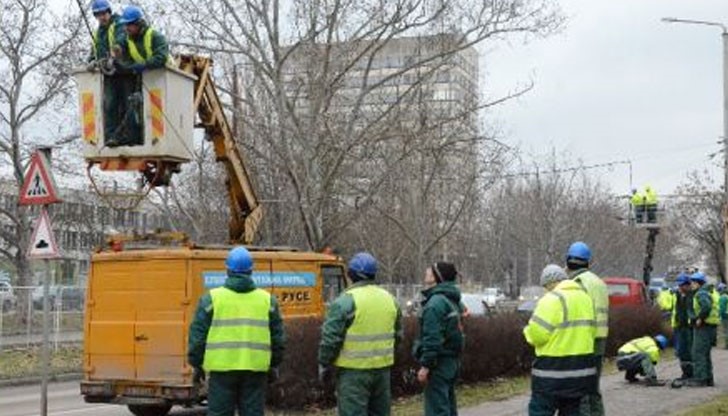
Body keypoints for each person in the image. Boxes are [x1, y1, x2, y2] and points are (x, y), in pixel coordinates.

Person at [187, 246, 285, 416]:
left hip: (221, 372)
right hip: (255, 371)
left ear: (227, 270)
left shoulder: (211, 300)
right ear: (251, 270)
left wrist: (196, 365)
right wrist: (273, 365)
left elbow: (197, 338)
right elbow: (278, 339)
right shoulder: (268, 301)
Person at [317, 252, 402, 416]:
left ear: (351, 275)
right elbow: (398, 336)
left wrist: (324, 364)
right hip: (382, 371)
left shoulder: (344, 301)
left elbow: (330, 340)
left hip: (352, 374)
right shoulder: (390, 299)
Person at [524, 264, 597, 416]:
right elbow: (592, 332)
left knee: (541, 410)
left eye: (545, 286)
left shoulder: (551, 300)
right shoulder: (586, 299)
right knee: (572, 410)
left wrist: (527, 331)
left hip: (552, 373)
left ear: (550, 283)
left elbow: (537, 336)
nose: (546, 290)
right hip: (581, 372)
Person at [113, 5, 171, 146]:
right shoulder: (128, 38)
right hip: (145, 77)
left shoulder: (155, 36)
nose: (127, 28)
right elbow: (121, 43)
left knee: (156, 109)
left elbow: (161, 57)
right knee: (135, 104)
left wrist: (142, 65)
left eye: (129, 25)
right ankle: (133, 137)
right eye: (125, 25)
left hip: (164, 79)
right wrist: (117, 50)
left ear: (138, 24)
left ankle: (154, 139)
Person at [413, 261, 464, 416]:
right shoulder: (452, 299)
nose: (427, 271)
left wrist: (425, 365)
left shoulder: (435, 303)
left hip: (438, 365)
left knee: (437, 410)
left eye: (431, 270)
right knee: (448, 407)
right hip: (451, 362)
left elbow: (432, 338)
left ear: (437, 277)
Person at [564, 241, 608, 416]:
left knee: (580, 392)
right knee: (593, 389)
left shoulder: (577, 283)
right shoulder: (599, 282)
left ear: (568, 261)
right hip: (599, 342)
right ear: (588, 262)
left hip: (582, 344)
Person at [684, 271, 719, 387]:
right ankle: (708, 378)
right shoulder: (708, 291)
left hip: (703, 327)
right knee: (705, 353)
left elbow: (706, 306)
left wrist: (700, 318)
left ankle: (700, 379)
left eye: (693, 283)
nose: (691, 285)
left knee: (698, 352)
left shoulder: (701, 293)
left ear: (698, 283)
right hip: (710, 327)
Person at [671, 273, 694, 380]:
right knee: (681, 351)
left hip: (689, 328)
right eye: (679, 285)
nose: (680, 287)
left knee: (689, 351)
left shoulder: (692, 296)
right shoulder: (678, 295)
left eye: (682, 285)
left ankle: (692, 373)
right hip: (680, 327)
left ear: (688, 285)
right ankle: (685, 373)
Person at [719, 283, 728, 349]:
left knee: (726, 331)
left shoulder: (722, 297)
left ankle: (727, 345)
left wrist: (719, 316)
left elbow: (722, 308)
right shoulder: (727, 296)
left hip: (725, 316)